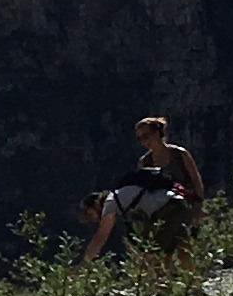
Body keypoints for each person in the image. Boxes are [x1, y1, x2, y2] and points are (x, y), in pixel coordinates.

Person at [80, 112, 207, 267]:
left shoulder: (179, 154)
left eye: (146, 136)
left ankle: (190, 285)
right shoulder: (145, 162)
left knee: (184, 250)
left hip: (184, 203)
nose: (144, 142)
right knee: (167, 251)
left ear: (157, 133)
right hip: (161, 211)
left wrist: (199, 206)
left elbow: (195, 180)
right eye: (140, 138)